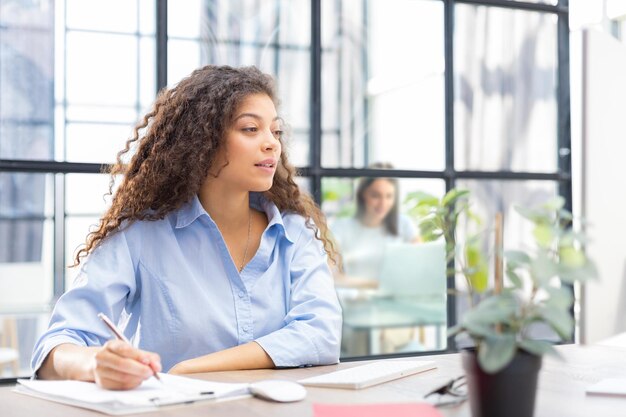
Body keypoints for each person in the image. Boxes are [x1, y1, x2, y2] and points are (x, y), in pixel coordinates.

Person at [31, 65, 342, 390]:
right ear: (203, 139)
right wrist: (97, 363)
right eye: (251, 129)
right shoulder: (141, 235)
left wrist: (192, 368)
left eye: (275, 131)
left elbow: (320, 333)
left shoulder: (294, 232)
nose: (272, 145)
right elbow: (57, 346)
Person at [331, 163, 419, 288]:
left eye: (389, 196)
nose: (383, 203)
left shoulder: (404, 225)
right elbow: (332, 277)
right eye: (376, 195)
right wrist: (379, 285)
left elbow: (421, 269)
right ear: (363, 195)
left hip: (398, 302)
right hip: (356, 303)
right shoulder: (341, 228)